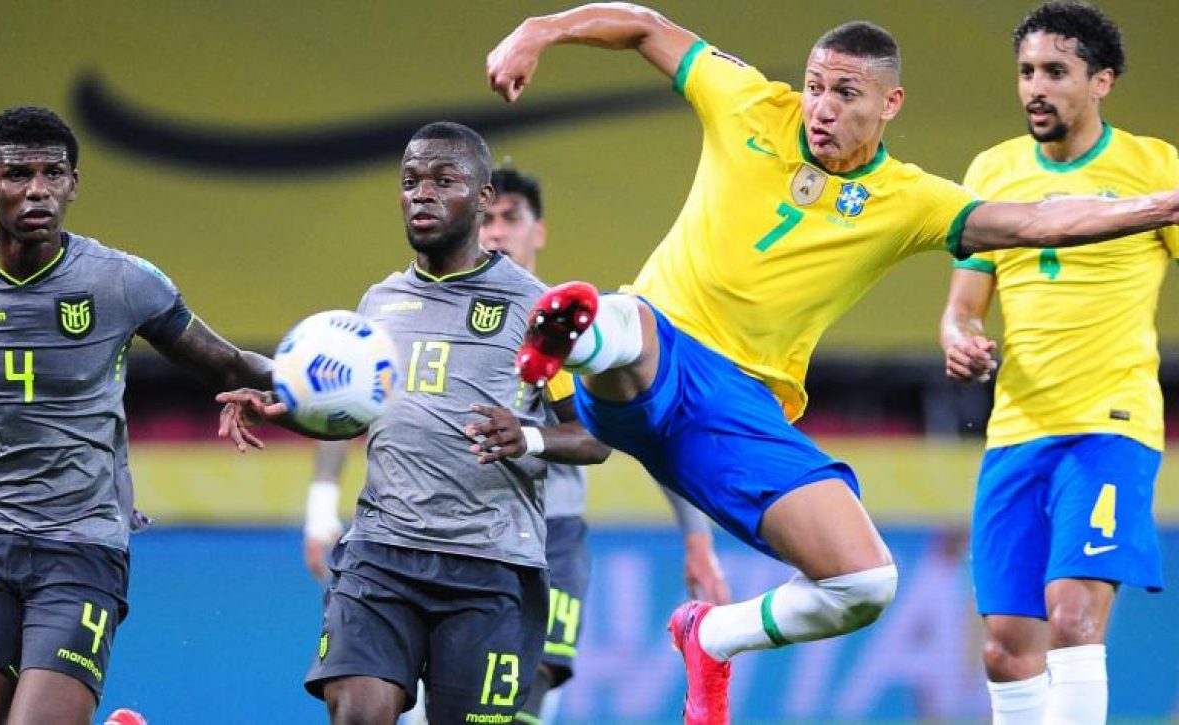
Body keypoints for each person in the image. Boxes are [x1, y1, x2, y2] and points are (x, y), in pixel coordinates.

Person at [484, 4, 1179, 722]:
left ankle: (713, 634)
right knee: (630, 322)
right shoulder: (749, 101)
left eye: (846, 93)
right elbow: (645, 25)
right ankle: (578, 333)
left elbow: (1037, 222)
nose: (821, 106)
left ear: (889, 104)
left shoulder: (911, 199)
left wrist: (1163, 206)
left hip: (738, 411)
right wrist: (538, 29)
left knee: (866, 581)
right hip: (659, 353)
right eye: (815, 86)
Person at [301, 165, 731, 723]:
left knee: (524, 708)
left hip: (546, 542)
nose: (500, 231)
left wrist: (696, 536)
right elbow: (355, 403)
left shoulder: (571, 323)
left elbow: (635, 423)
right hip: (418, 538)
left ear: (539, 231)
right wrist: (319, 510)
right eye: (493, 217)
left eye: (513, 218)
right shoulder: (404, 305)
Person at [219, 122, 612, 725]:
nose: (421, 194)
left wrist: (526, 436)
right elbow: (357, 418)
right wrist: (290, 411)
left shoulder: (535, 308)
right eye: (410, 181)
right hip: (384, 554)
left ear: (483, 198)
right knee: (356, 709)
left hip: (489, 566)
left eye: (443, 180)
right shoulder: (377, 305)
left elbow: (591, 436)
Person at [0, 106, 276, 724]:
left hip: (80, 547)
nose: (38, 189)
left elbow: (227, 364)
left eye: (53, 173)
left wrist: (319, 393)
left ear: (74, 184)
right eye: (17, 175)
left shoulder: (121, 282)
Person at [939, 4, 1176, 723]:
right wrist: (959, 334)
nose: (1035, 88)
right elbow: (964, 304)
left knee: (1072, 615)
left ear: (1101, 80)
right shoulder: (993, 170)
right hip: (1016, 430)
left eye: (1055, 72)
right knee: (1006, 648)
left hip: (1111, 425)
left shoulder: (1153, 166)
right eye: (1026, 72)